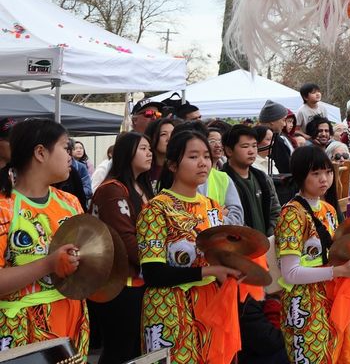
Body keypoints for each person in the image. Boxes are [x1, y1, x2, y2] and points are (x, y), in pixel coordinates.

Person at [137, 129, 244, 362]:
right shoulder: (157, 209)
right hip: (170, 310)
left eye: (206, 156)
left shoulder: (213, 207)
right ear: (173, 165)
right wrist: (211, 271)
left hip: (210, 307)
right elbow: (153, 273)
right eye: (193, 157)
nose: (203, 163)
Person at [0, 119, 89, 353]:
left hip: (73, 321)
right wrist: (49, 264)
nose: (70, 155)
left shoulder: (70, 203)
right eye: (65, 147)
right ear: (40, 152)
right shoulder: (4, 208)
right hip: (21, 332)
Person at [276, 145, 350, 364]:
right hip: (305, 303)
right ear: (300, 176)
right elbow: (290, 273)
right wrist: (338, 271)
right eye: (315, 173)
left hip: (331, 297)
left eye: (327, 172)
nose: (324, 179)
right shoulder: (292, 214)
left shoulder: (328, 209)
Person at [90, 131, 155, 364]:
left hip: (141, 281)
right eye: (143, 149)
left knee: (137, 349)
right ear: (126, 153)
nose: (149, 153)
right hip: (119, 284)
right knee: (120, 350)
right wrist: (158, 264)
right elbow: (125, 240)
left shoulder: (143, 187)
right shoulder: (112, 189)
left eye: (149, 149)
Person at [222, 124, 280, 237]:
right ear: (229, 151)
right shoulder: (222, 180)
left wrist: (270, 236)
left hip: (266, 244)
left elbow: (275, 211)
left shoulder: (263, 178)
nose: (251, 151)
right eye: (245, 146)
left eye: (254, 146)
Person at [260, 101, 296, 202]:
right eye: (283, 120)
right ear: (272, 121)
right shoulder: (276, 141)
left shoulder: (279, 138)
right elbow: (285, 167)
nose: (284, 124)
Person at [145, 116, 181, 185]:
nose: (169, 138)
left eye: (173, 133)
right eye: (163, 134)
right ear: (152, 138)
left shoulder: (180, 168)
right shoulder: (144, 169)